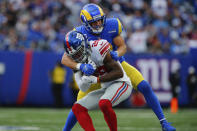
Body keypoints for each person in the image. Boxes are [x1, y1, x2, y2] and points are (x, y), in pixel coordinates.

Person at [61, 3, 176, 131]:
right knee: (78, 106)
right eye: (94, 22)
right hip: (94, 71)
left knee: (144, 86)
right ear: (85, 23)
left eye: (99, 21)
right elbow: (65, 58)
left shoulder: (111, 25)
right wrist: (81, 66)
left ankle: (164, 123)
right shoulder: (78, 34)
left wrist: (117, 53)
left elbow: (123, 46)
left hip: (116, 65)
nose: (98, 24)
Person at [64, 30, 132, 131]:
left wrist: (96, 79)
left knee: (104, 103)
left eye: (79, 52)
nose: (78, 57)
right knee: (77, 108)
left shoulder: (98, 48)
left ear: (85, 45)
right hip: (106, 88)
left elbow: (119, 72)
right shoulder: (74, 60)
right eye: (74, 55)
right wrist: (85, 78)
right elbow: (82, 88)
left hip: (121, 83)